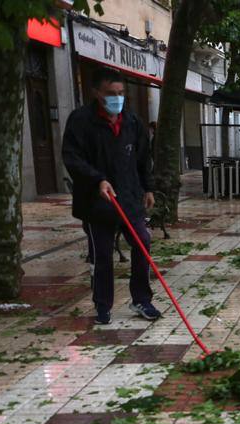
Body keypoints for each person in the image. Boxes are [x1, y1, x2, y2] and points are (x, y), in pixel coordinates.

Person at [62, 67, 160, 325]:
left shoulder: (132, 122)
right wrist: (97, 180)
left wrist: (147, 187)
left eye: (120, 93)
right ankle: (102, 305)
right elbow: (72, 157)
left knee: (143, 244)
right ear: (96, 93)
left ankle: (142, 299)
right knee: (102, 255)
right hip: (97, 204)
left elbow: (142, 158)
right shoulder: (80, 121)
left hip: (129, 199)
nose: (116, 98)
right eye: (110, 93)